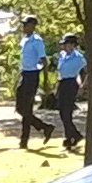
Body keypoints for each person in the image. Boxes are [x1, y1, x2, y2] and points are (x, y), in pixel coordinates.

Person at [14, 16, 57, 147]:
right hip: (24, 74)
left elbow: (43, 60)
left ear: (32, 26)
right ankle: (44, 127)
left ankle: (24, 140)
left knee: (27, 108)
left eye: (27, 24)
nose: (24, 27)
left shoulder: (37, 41)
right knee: (20, 108)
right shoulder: (24, 40)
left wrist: (45, 81)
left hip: (32, 75)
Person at [55, 32, 88, 153]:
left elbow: (86, 71)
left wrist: (82, 86)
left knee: (66, 112)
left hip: (71, 84)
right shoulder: (62, 55)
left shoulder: (78, 57)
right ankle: (73, 135)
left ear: (72, 45)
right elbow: (60, 72)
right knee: (62, 113)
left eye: (67, 44)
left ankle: (70, 138)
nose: (64, 47)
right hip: (63, 83)